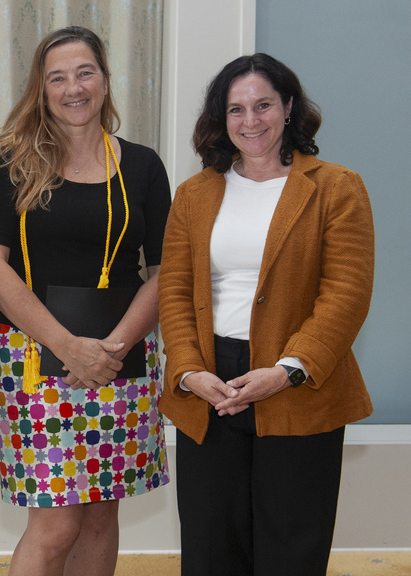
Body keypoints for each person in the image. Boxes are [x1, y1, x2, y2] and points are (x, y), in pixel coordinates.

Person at [158, 53, 374, 576]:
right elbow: (175, 291)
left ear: (289, 107)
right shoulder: (193, 194)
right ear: (221, 117)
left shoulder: (337, 187)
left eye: (263, 105)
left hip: (297, 383)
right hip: (211, 386)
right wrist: (188, 370)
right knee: (211, 550)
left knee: (292, 549)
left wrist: (287, 370)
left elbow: (346, 293)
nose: (250, 120)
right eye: (236, 109)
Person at [0, 27, 171, 576]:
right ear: (41, 89)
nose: (73, 88)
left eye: (85, 73)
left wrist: (112, 348)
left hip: (119, 358)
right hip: (32, 357)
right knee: (56, 524)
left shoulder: (144, 166)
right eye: (57, 78)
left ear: (105, 80)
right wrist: (68, 347)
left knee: (101, 515)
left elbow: (165, 272)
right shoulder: (9, 161)